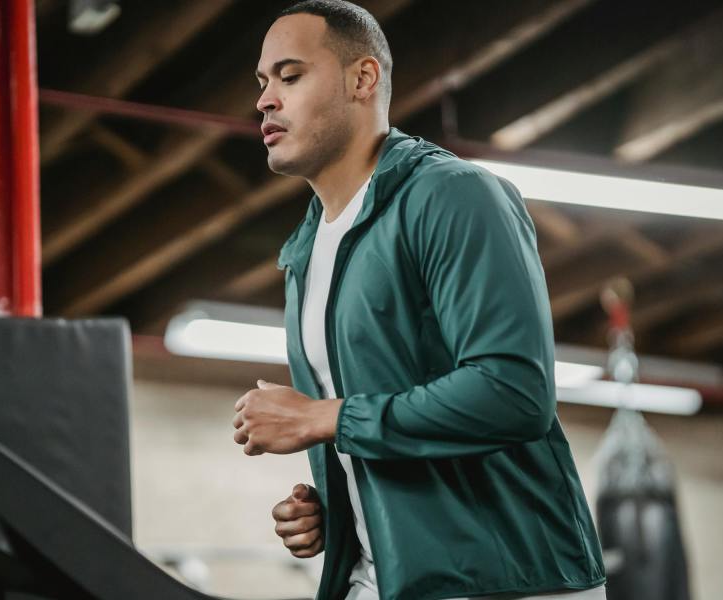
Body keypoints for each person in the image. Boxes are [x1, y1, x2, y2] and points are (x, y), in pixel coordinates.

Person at [231, 2, 607, 599]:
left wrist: (323, 418)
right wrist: (342, 509)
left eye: (290, 75)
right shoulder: (306, 251)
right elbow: (387, 427)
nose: (265, 100)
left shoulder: (454, 195)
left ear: (363, 79)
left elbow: (513, 392)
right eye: (263, 82)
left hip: (505, 583)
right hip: (382, 583)